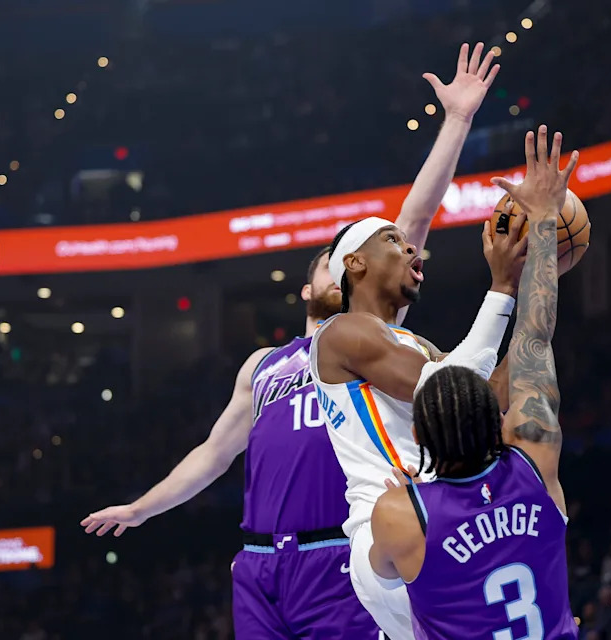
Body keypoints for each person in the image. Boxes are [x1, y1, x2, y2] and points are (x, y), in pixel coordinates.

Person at [79, 41, 503, 639]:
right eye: (329, 262)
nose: (345, 264)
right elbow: (213, 454)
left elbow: (413, 220)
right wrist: (141, 507)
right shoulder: (265, 365)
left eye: (353, 258)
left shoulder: (371, 337)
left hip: (342, 553)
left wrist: (456, 119)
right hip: (259, 564)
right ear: (308, 290)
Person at [308, 126, 559, 639]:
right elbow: (438, 391)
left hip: (447, 507)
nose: (413, 252)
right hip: (393, 526)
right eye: (393, 241)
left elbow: (482, 399)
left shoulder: (418, 345)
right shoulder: (341, 334)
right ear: (354, 263)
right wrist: (504, 288)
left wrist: (540, 275)